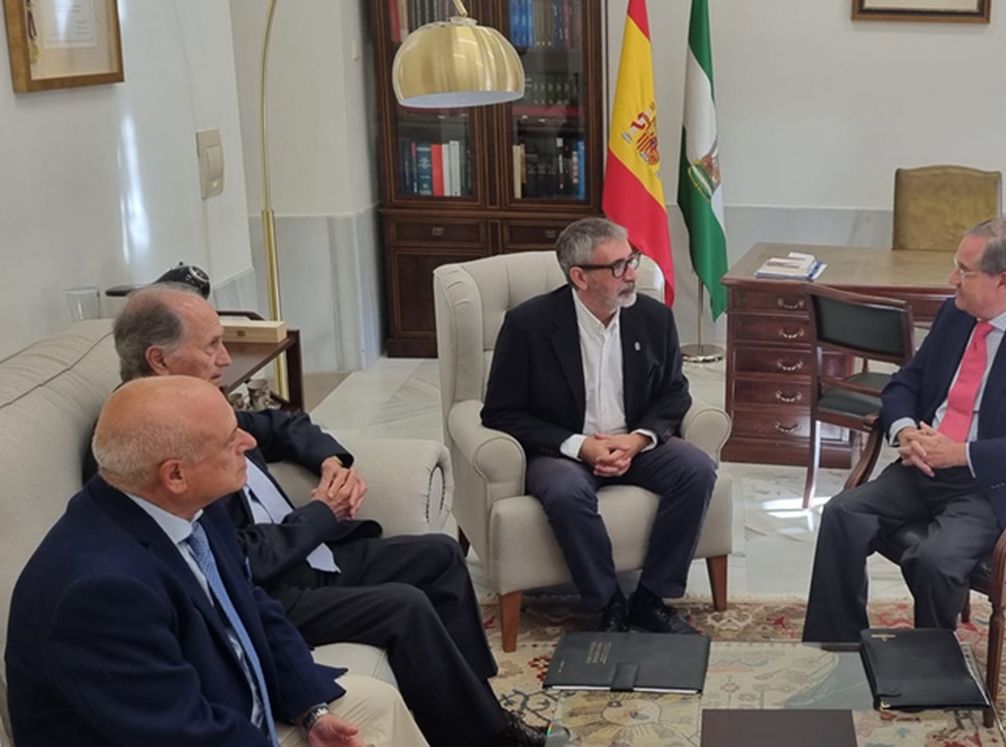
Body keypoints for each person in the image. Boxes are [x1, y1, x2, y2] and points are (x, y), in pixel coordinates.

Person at [106, 284, 544, 747]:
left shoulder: (196, 407)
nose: (225, 357)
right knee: (405, 605)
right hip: (276, 587)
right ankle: (487, 737)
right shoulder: (145, 443)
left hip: (310, 555)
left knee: (440, 554)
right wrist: (322, 513)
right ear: (159, 359)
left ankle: (478, 703)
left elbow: (283, 425)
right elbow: (232, 560)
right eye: (212, 344)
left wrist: (332, 461)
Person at [5, 377, 428, 747]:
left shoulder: (189, 509)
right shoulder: (100, 594)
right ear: (175, 475)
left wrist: (311, 713)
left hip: (235, 718)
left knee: (379, 706)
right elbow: (182, 735)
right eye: (230, 439)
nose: (249, 442)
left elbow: (253, 607)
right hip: (206, 735)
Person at [802, 218, 1006, 642]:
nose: (953, 279)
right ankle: (837, 645)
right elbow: (906, 381)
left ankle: (932, 669)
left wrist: (962, 453)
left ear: (1002, 280)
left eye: (964, 271)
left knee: (933, 560)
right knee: (843, 514)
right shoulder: (957, 314)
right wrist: (904, 432)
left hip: (990, 486)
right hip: (924, 466)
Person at [482, 216, 717, 634]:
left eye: (633, 260)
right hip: (564, 451)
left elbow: (675, 393)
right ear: (579, 277)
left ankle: (651, 598)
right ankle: (607, 601)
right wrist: (579, 446)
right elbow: (501, 413)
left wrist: (638, 439)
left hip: (633, 441)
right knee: (565, 491)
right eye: (618, 267)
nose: (633, 274)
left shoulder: (653, 318)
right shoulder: (528, 325)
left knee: (696, 469)